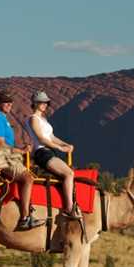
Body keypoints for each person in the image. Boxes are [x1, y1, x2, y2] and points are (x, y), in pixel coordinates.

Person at [0, 90, 44, 231]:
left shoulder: (3, 118)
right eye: (6, 102)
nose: (9, 104)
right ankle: (24, 218)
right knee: (27, 178)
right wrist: (21, 151)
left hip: (8, 157)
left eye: (10, 102)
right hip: (0, 158)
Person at [26, 91, 80, 219]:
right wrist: (60, 148)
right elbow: (41, 139)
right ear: (35, 103)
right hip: (42, 152)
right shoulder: (33, 119)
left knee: (68, 174)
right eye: (42, 102)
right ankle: (68, 208)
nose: (45, 104)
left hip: (49, 151)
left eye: (46, 102)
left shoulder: (43, 120)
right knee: (69, 174)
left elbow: (51, 137)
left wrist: (66, 144)